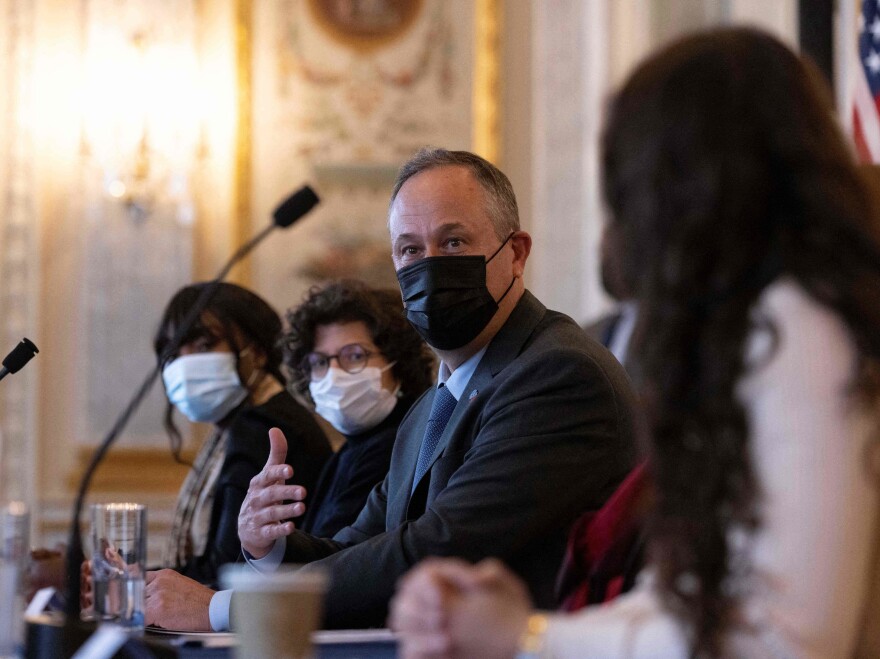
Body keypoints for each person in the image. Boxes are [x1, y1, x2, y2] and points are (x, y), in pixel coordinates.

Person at [390, 28, 880, 658]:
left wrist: (528, 636)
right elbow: (686, 599)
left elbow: (786, 639)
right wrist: (506, 619)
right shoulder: (750, 329)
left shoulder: (800, 325)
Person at [143, 148, 638, 632]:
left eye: (454, 242)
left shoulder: (557, 375)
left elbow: (437, 549)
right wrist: (270, 546)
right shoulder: (429, 408)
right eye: (410, 250)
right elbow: (361, 546)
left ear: (515, 253)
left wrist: (222, 609)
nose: (430, 266)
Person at [153, 282, 332, 587]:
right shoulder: (247, 422)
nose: (184, 364)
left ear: (258, 353)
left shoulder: (262, 427)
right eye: (174, 351)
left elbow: (224, 570)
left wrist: (130, 580)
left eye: (203, 346)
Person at [281, 279, 434, 537]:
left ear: (398, 361)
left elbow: (331, 555)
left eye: (354, 356)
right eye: (319, 362)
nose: (334, 373)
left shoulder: (397, 444)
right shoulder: (353, 447)